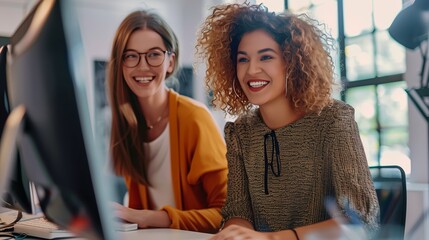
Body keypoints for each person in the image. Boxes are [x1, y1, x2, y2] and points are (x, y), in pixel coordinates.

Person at [195, 3, 379, 240]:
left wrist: (274, 238)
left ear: (291, 62)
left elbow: (360, 221)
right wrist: (236, 234)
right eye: (243, 59)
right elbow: (238, 212)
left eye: (266, 57)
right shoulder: (240, 132)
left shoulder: (333, 120)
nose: (251, 69)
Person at [107, 9, 228, 233]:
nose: (142, 66)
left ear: (170, 61)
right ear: (121, 64)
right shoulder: (127, 124)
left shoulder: (195, 118)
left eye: (153, 54)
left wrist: (152, 217)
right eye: (131, 55)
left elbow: (227, 214)